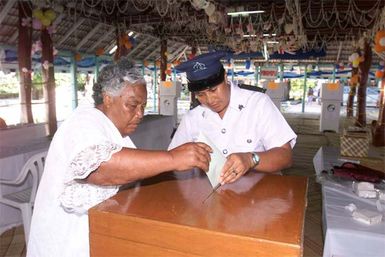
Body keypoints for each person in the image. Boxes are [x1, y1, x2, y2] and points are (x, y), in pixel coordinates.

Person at [27, 58, 212, 257]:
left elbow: (131, 171)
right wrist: (173, 158)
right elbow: (100, 168)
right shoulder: (83, 122)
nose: (140, 114)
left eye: (143, 106)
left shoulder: (112, 129)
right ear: (108, 99)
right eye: (132, 106)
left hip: (96, 233)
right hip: (67, 244)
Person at [168, 51, 297, 185]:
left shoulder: (258, 104)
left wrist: (250, 159)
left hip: (258, 194)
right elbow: (172, 159)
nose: (210, 100)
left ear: (225, 77)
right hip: (208, 196)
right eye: (200, 95)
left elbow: (285, 156)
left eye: (213, 90)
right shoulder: (192, 118)